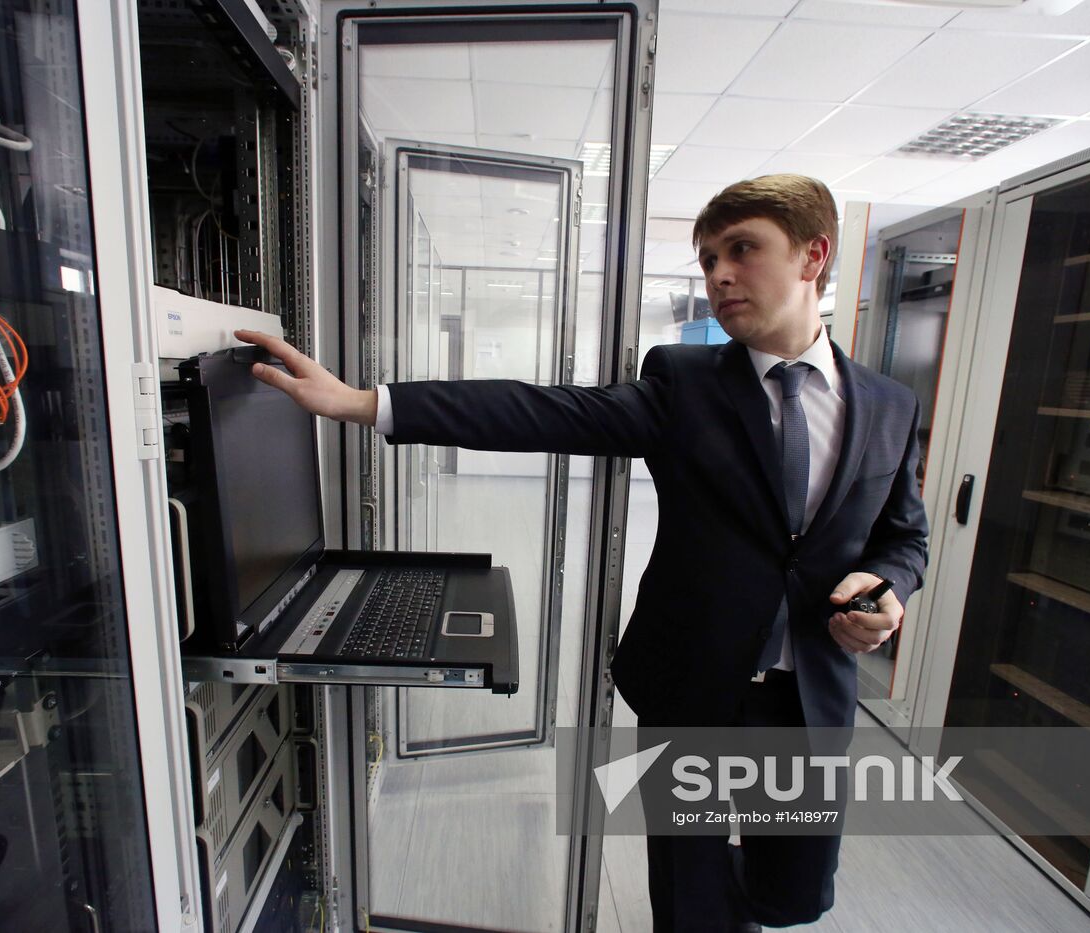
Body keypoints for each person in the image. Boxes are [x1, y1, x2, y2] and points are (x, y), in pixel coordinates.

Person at [234, 173, 929, 931]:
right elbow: (545, 411)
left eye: (742, 250)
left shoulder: (889, 406)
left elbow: (904, 536)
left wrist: (887, 587)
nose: (719, 274)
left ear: (813, 256)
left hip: (806, 698)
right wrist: (366, 403)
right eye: (707, 259)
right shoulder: (686, 383)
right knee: (690, 905)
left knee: (792, 897)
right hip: (692, 688)